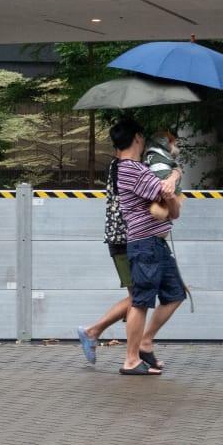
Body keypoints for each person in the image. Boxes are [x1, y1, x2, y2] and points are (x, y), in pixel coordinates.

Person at [112, 116, 185, 376]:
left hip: (157, 243)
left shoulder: (141, 167)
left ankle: (145, 342)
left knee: (175, 294)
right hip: (144, 244)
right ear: (138, 138)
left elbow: (172, 210)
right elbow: (167, 201)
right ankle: (130, 360)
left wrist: (174, 177)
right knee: (141, 301)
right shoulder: (131, 169)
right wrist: (172, 185)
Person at [74, 147, 134, 366]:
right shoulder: (122, 167)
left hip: (122, 240)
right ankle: (94, 331)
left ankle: (134, 351)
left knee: (138, 298)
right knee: (138, 298)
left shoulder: (116, 166)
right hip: (123, 241)